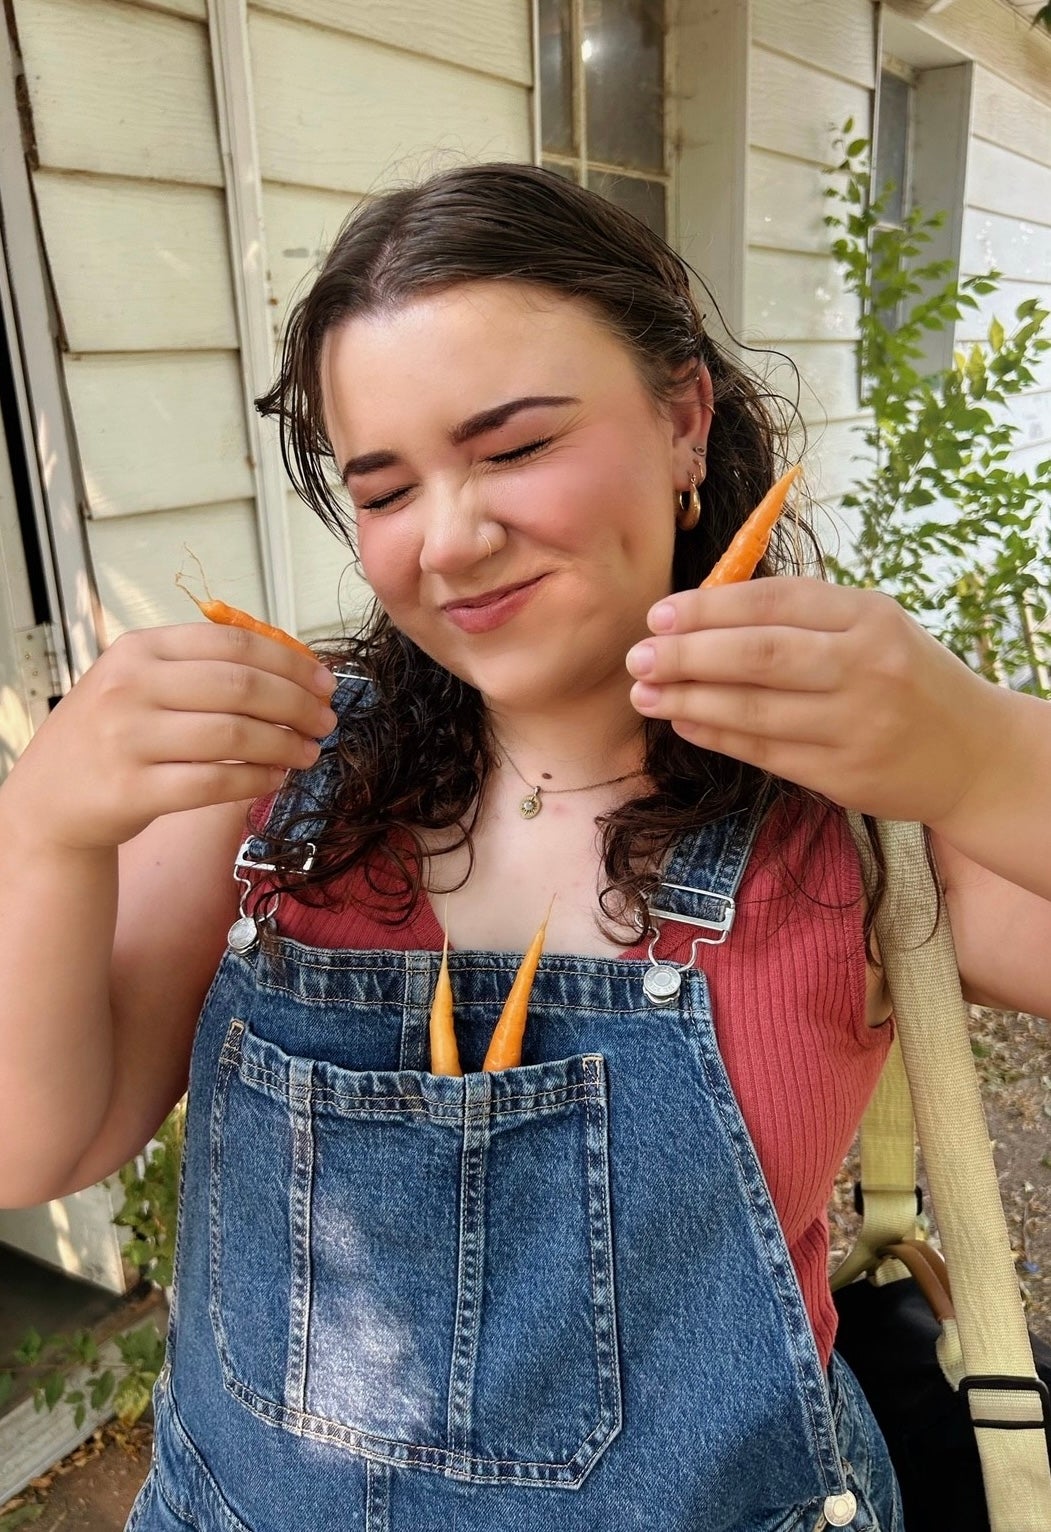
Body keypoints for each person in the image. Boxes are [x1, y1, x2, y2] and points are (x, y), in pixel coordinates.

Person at [1, 163, 1049, 1532]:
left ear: (684, 420)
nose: (452, 538)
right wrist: (44, 834)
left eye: (512, 449)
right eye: (384, 490)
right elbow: (42, 1145)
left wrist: (986, 750)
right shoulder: (272, 783)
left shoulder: (852, 819)